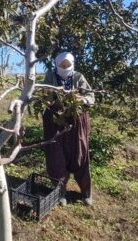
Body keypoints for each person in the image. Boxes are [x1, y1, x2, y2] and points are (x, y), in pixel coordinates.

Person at [42, 52, 95, 206]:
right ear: (57, 65)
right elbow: (44, 95)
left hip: (76, 120)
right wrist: (52, 99)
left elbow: (91, 96)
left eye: (68, 65)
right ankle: (60, 192)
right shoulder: (50, 76)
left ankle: (86, 192)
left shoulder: (78, 77)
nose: (65, 68)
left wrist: (82, 99)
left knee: (80, 153)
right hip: (55, 121)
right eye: (62, 65)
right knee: (56, 155)